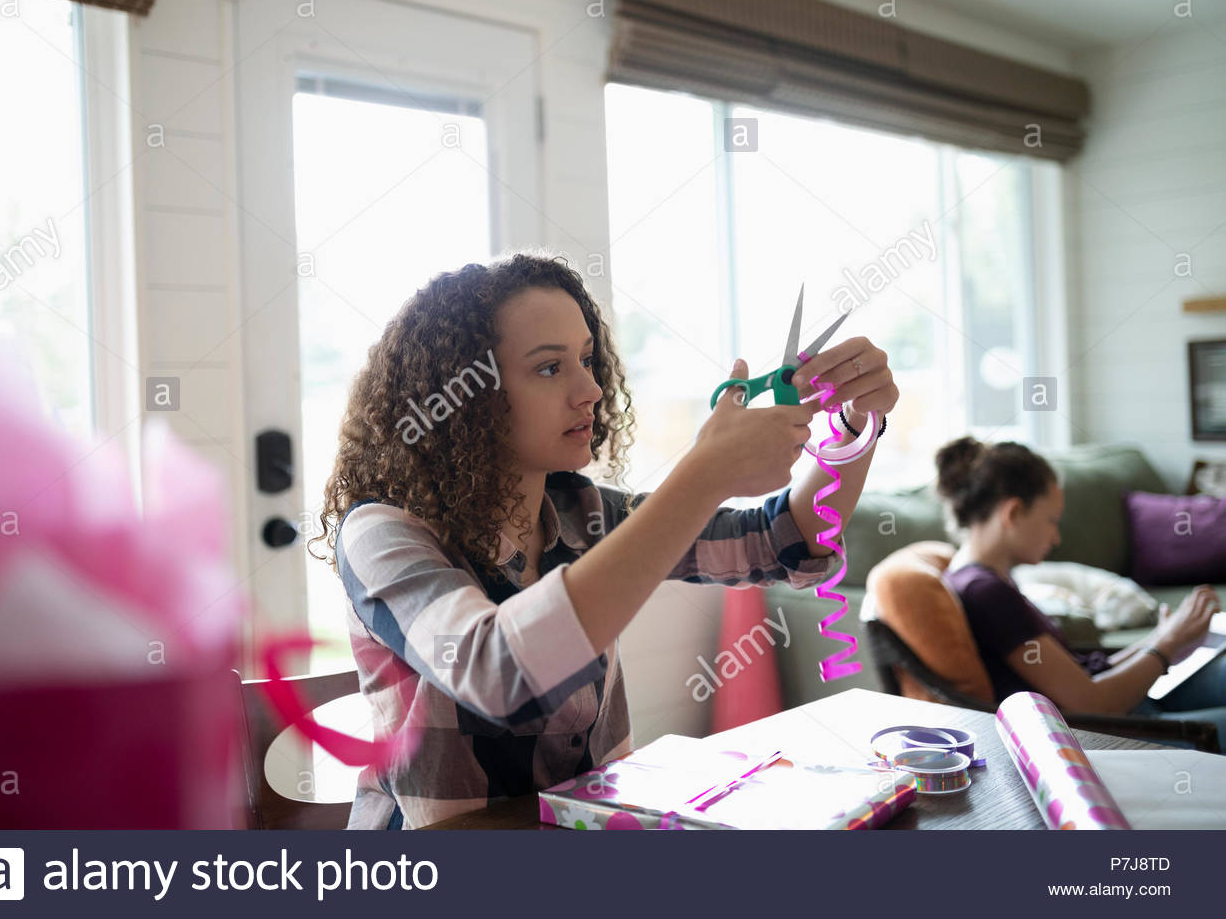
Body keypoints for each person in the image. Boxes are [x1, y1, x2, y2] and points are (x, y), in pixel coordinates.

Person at [309, 253, 900, 828]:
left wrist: (855, 424)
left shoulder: (584, 510)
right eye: (549, 367)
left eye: (588, 359)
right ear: (466, 397)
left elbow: (782, 542)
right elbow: (497, 672)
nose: (590, 389)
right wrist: (703, 475)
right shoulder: (384, 534)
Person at [934, 436, 1225, 747]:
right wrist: (1166, 647)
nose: (1056, 537)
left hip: (1126, 708)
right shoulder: (986, 592)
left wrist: (1161, 639)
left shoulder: (986, 578)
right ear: (1013, 513)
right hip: (1117, 731)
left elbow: (1079, 674)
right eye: (1051, 521)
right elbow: (1091, 704)